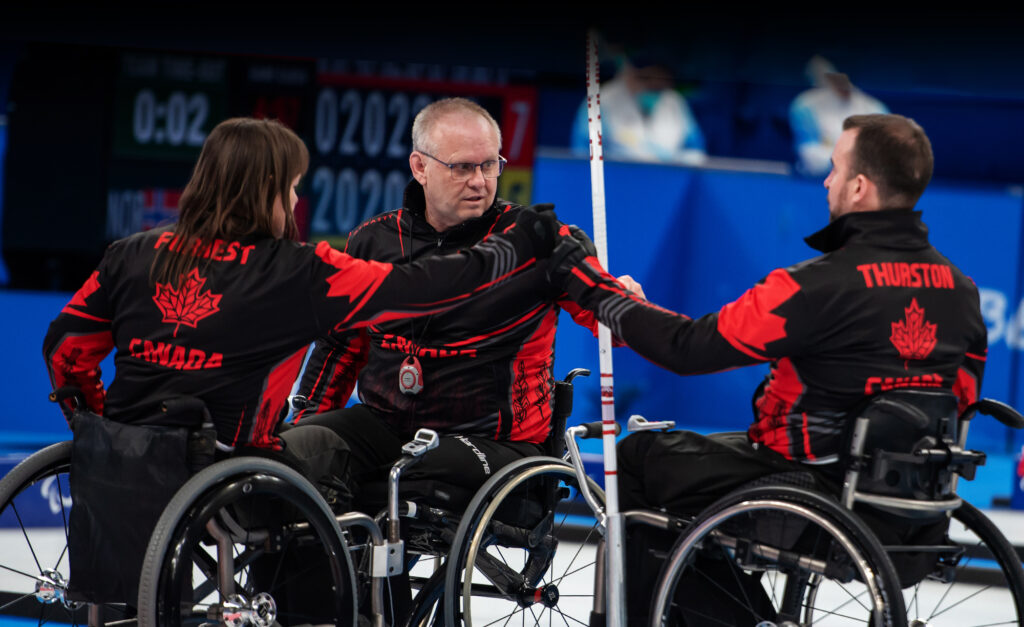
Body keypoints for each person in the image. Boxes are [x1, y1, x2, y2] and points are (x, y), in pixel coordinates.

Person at [41, 116, 556, 606]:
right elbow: (420, 286)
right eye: (290, 187)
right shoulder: (297, 272)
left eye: (489, 166)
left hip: (127, 462)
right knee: (316, 488)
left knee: (313, 452)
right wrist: (519, 248)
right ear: (264, 189)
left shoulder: (129, 254)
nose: (294, 199)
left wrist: (99, 429)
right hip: (235, 466)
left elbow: (64, 349)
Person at [552, 113, 986, 624]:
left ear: (861, 186)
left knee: (639, 459)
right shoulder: (962, 290)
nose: (827, 181)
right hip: (912, 508)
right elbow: (964, 398)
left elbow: (688, 349)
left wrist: (599, 294)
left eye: (835, 168)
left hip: (811, 489)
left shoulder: (815, 286)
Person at [287, 97, 640, 511]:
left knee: (404, 477)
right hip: (385, 424)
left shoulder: (538, 240)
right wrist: (304, 420)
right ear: (420, 167)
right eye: (463, 167)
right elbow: (340, 348)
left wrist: (625, 309)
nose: (480, 181)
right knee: (292, 457)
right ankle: (326, 575)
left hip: (497, 444)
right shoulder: (371, 241)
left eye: (490, 165)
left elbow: (611, 326)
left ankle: (378, 574)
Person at [570, 48, 706, 165]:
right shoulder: (601, 101)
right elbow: (583, 155)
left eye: (659, 83)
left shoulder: (674, 102)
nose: (653, 86)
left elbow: (694, 150)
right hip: (616, 182)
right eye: (646, 79)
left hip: (667, 183)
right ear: (631, 73)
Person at [790, 55, 889, 177]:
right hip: (816, 181)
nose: (842, 83)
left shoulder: (876, 108)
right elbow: (810, 157)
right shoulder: (804, 105)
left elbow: (884, 155)